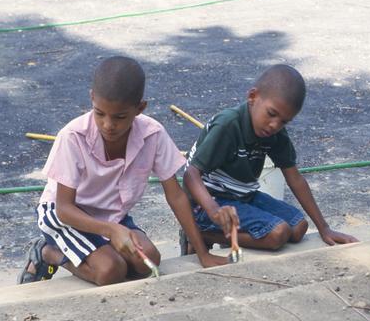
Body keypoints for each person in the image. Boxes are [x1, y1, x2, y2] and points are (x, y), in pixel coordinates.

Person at [18, 56, 228, 286]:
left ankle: (101, 248)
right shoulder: (72, 137)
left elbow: (176, 195)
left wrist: (202, 254)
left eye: (120, 117)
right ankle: (48, 252)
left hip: (111, 216)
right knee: (111, 271)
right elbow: (64, 209)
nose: (108, 125)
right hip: (65, 215)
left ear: (140, 108)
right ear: (92, 98)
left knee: (148, 261)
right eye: (99, 113)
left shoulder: (153, 134)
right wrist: (111, 230)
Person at [182, 64, 358, 254]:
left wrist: (324, 228)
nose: (275, 125)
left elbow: (295, 179)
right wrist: (213, 210)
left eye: (284, 121)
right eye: (271, 114)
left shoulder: (275, 133)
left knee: (298, 227)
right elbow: (190, 175)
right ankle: (202, 234)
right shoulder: (228, 125)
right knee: (277, 233)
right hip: (207, 203)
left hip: (243, 196)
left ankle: (230, 232)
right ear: (252, 97)